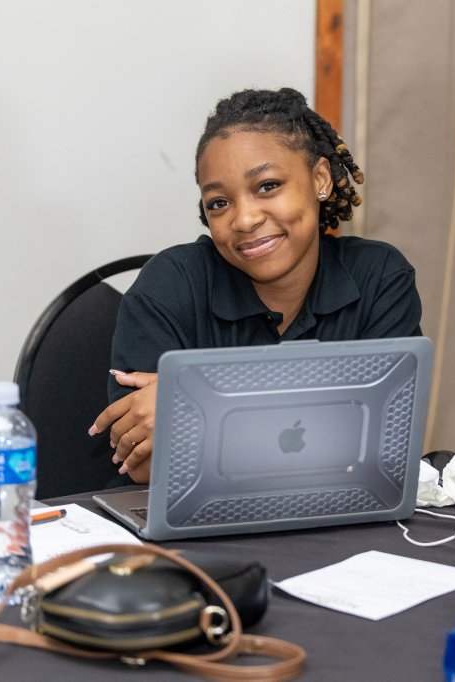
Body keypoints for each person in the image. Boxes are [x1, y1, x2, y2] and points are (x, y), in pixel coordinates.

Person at [90, 88, 422, 483]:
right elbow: (145, 464)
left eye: (267, 186)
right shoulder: (170, 284)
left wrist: (193, 404)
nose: (245, 219)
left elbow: (388, 443)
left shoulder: (379, 277)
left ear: (320, 179)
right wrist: (328, 414)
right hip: (189, 517)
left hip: (336, 511)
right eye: (219, 203)